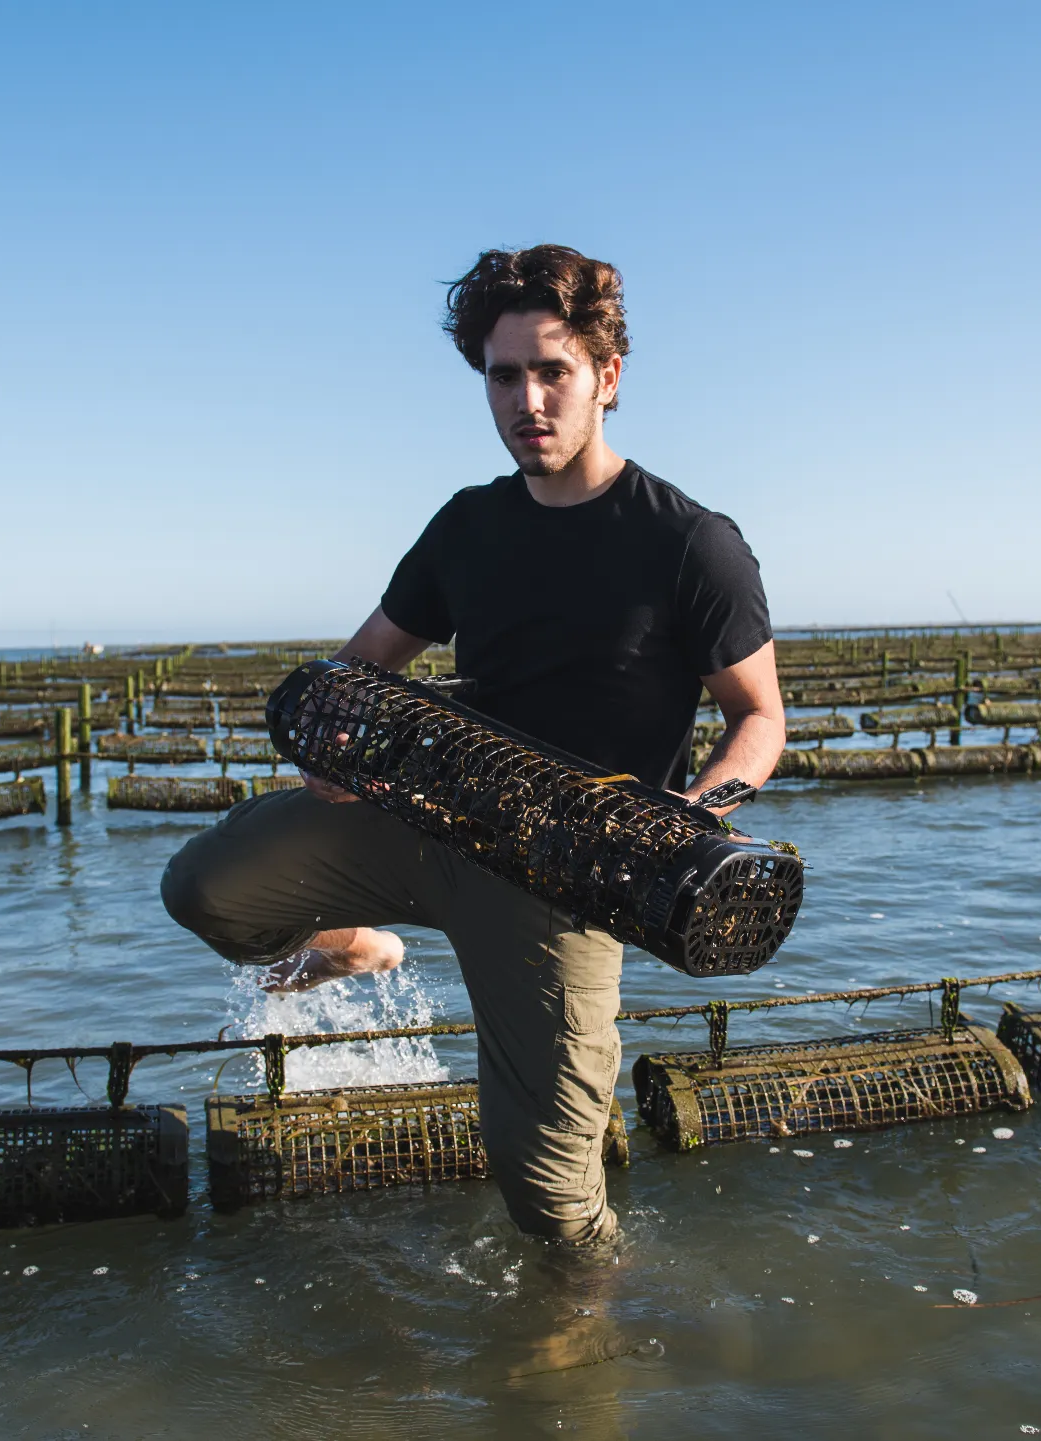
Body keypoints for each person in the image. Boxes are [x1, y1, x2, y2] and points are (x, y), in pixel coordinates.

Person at [160, 244, 784, 1247]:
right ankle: (359, 944)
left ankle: (580, 1373)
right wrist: (338, 745)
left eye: (553, 371)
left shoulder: (688, 541)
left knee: (552, 1203)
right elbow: (364, 663)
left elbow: (759, 715)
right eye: (504, 375)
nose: (527, 400)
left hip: (571, 875)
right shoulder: (466, 527)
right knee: (205, 889)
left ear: (607, 378)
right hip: (426, 816)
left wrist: (698, 813)